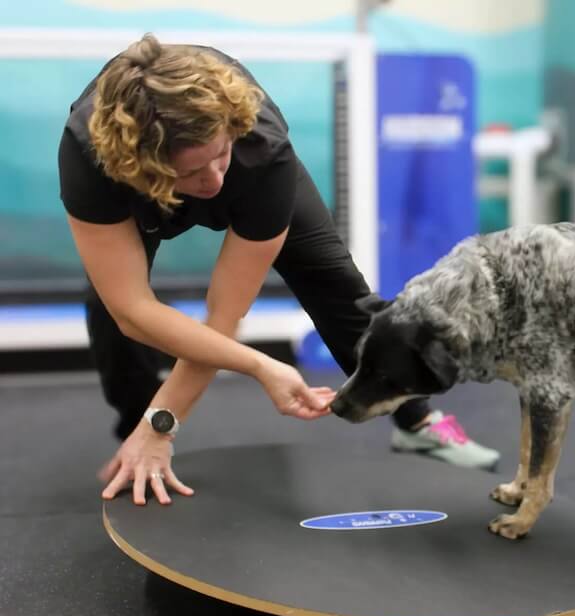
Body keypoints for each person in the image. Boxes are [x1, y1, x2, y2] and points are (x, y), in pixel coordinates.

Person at [57, 34, 500, 506]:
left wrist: (255, 365)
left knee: (335, 284)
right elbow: (133, 312)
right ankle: (138, 432)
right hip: (140, 183)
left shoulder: (259, 147)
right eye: (192, 174)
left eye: (218, 155)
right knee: (112, 311)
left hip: (253, 170)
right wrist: (158, 423)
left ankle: (417, 422)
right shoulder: (92, 158)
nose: (213, 181)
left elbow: (223, 318)